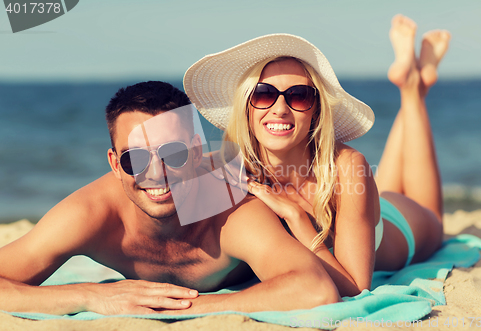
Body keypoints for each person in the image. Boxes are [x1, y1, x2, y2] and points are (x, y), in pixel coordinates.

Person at [0, 81, 338, 315]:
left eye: (173, 155)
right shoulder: (91, 213)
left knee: (390, 212)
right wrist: (89, 295)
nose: (155, 173)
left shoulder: (232, 209)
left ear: (197, 153)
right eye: (135, 159)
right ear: (115, 164)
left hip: (334, 225)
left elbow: (316, 289)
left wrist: (178, 310)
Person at [184, 15, 451, 297]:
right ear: (246, 107)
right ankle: (413, 84)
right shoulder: (229, 166)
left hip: (400, 227)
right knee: (380, 185)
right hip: (359, 207)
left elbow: (356, 289)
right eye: (264, 94)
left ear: (316, 111)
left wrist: (297, 217)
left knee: (432, 216)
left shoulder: (348, 167)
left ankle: (413, 91)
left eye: (298, 96)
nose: (280, 108)